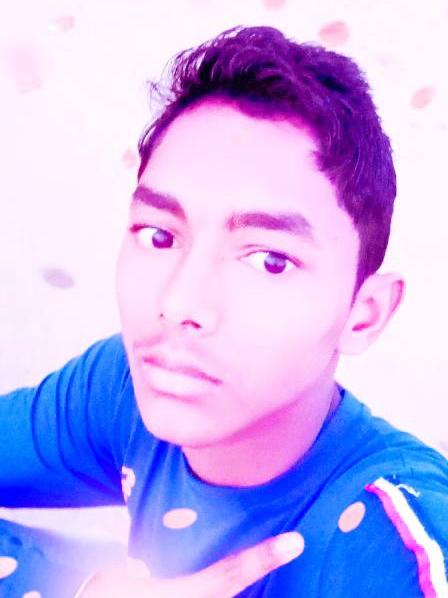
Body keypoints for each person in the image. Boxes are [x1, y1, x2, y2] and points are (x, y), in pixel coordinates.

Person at [1, 24, 447, 597]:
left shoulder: (389, 541)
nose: (179, 304)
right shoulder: (123, 386)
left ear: (364, 314)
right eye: (160, 236)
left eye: (270, 261)